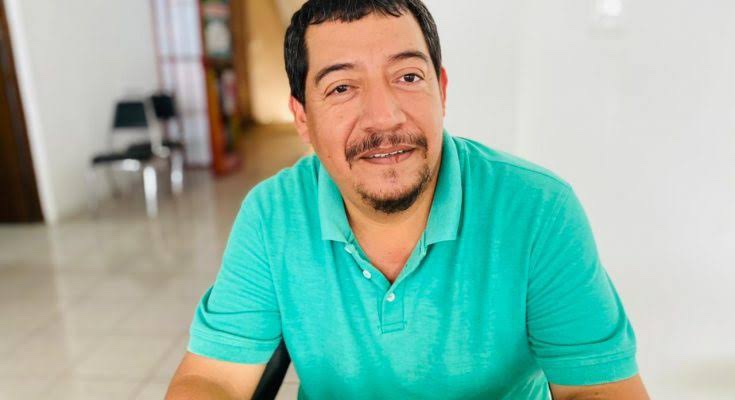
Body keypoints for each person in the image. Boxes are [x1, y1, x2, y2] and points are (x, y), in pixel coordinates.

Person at [166, 1, 650, 398]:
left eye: (408, 77)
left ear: (442, 90)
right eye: (341, 87)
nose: (384, 117)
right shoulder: (272, 215)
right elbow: (212, 379)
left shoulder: (539, 210)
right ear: (302, 117)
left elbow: (600, 388)